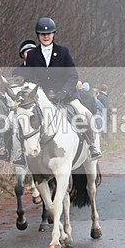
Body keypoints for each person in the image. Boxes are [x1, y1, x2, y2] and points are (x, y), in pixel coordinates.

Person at [23, 17, 101, 159]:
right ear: (38, 35)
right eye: (42, 34)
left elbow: (73, 76)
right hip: (43, 97)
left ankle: (91, 145)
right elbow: (29, 79)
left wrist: (64, 92)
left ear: (54, 34)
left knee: (83, 113)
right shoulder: (32, 55)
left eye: (49, 33)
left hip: (67, 95)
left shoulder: (63, 52)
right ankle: (21, 153)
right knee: (24, 117)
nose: (46, 36)